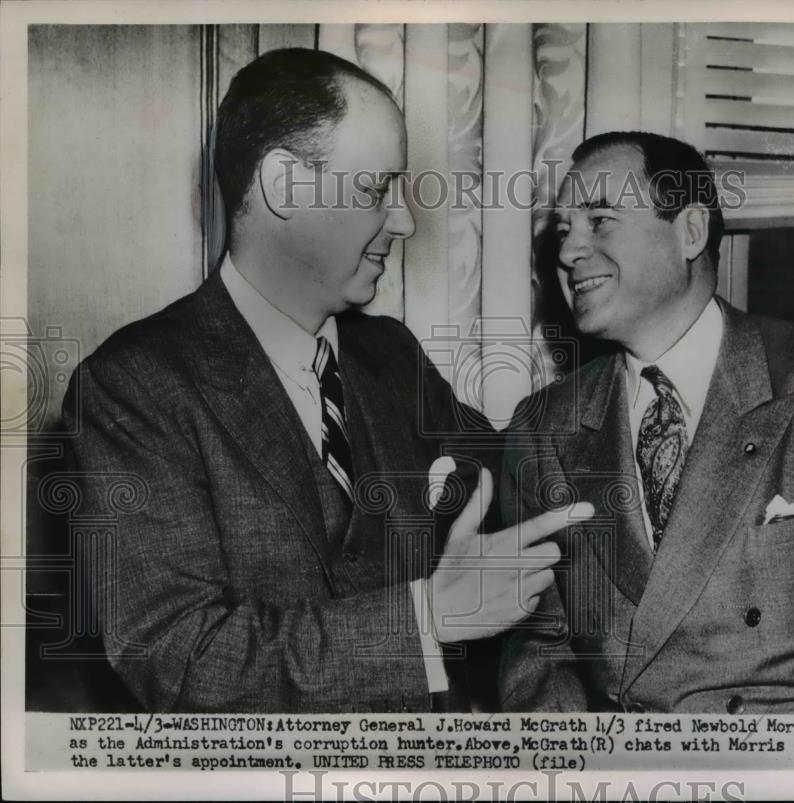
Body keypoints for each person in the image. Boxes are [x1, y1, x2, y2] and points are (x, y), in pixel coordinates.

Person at [63, 48, 589, 713]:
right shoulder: (131, 387)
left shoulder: (390, 355)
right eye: (376, 190)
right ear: (284, 184)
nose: (405, 220)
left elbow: (523, 478)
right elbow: (180, 656)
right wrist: (427, 618)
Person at [499, 131, 794, 715]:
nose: (568, 252)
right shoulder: (542, 428)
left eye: (600, 221)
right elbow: (539, 647)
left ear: (690, 231)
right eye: (563, 231)